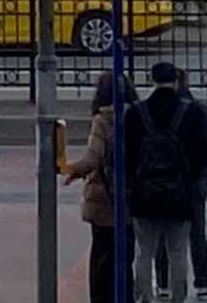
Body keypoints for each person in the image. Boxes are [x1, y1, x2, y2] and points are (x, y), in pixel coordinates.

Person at [125, 61, 207, 303]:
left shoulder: (136, 113)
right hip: (180, 194)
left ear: (152, 80)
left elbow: (128, 156)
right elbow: (200, 155)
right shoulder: (192, 113)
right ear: (176, 81)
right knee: (178, 251)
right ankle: (179, 296)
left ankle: (146, 296)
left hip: (145, 194)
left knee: (144, 252)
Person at [67, 72, 139, 303]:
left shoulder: (103, 120)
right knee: (125, 258)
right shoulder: (138, 116)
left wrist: (71, 169)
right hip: (130, 197)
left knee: (101, 258)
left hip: (103, 199)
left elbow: (93, 158)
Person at [154, 72, 207, 301]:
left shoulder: (159, 111)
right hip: (195, 181)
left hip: (166, 180)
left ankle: (163, 283)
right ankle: (202, 283)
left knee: (164, 233)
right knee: (197, 233)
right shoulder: (203, 111)